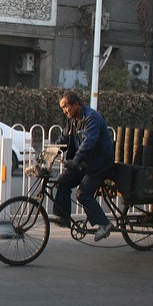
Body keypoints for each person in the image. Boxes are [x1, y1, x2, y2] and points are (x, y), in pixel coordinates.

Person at [49, 90, 115, 242]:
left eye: (66, 107)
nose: (64, 110)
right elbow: (64, 138)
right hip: (85, 162)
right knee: (62, 181)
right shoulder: (73, 120)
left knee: (82, 194)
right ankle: (63, 217)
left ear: (76, 104)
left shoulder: (92, 118)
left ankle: (104, 224)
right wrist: (49, 152)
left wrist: (75, 161)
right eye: (62, 108)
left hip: (99, 163)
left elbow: (88, 143)